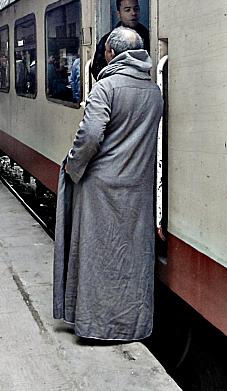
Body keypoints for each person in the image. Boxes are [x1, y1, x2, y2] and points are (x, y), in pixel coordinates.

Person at [53, 27, 163, 341]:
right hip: (137, 188)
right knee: (130, 260)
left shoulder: (106, 87)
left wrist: (73, 167)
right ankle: (131, 326)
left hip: (100, 188)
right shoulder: (153, 89)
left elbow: (89, 136)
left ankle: (95, 325)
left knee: (97, 258)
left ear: (111, 54)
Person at [91, 0, 151, 79]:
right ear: (118, 13)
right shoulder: (108, 40)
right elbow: (97, 69)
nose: (133, 13)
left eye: (136, 9)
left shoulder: (148, 37)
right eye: (127, 10)